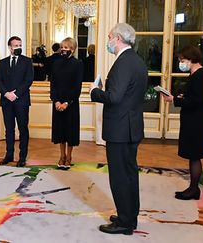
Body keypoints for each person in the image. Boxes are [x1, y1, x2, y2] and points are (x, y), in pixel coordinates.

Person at [90, 23, 147, 235]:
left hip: (121, 129)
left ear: (118, 38)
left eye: (109, 37)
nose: (108, 41)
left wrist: (95, 91)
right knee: (130, 174)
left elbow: (114, 97)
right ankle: (130, 216)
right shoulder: (137, 60)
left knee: (120, 176)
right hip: (131, 127)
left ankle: (124, 222)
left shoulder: (124, 62)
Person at [162, 45, 203, 200]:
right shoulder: (196, 75)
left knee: (195, 155)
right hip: (193, 119)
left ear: (191, 59)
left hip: (197, 121)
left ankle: (193, 189)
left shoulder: (201, 75)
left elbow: (196, 101)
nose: (181, 63)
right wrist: (182, 97)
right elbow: (194, 96)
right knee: (193, 155)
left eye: (182, 60)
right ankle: (192, 188)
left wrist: (175, 99)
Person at [0, 36, 34, 167]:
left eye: (20, 45)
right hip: (6, 101)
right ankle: (9, 155)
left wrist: (15, 94)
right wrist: (6, 94)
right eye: (16, 45)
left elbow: (28, 80)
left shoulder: (27, 61)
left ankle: (22, 157)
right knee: (9, 130)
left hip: (21, 101)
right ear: (10, 47)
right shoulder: (2, 62)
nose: (18, 47)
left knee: (23, 129)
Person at [50, 37, 83, 170]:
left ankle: (69, 157)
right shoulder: (56, 63)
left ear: (73, 49)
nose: (64, 50)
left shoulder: (78, 63)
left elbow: (77, 87)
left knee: (70, 131)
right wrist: (56, 101)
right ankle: (61, 156)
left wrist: (67, 103)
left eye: (67, 48)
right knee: (60, 131)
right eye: (62, 47)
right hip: (58, 103)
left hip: (71, 103)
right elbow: (53, 84)